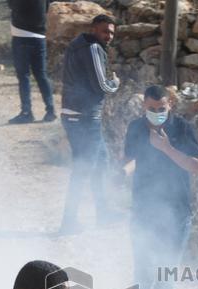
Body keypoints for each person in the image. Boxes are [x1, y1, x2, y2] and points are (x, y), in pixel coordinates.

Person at [122, 85, 198, 289]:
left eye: (161, 109)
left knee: (166, 273)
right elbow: (129, 160)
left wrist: (166, 148)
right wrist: (121, 171)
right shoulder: (135, 128)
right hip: (143, 211)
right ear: (143, 106)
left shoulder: (182, 128)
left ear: (171, 106)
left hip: (177, 214)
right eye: (151, 109)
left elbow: (197, 166)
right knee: (143, 271)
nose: (156, 113)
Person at [57, 14, 119, 235]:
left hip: (78, 115)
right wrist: (115, 84)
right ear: (94, 29)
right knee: (84, 170)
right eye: (105, 31)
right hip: (83, 117)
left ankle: (103, 212)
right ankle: (68, 221)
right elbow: (102, 84)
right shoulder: (92, 48)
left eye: (111, 32)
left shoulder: (80, 44)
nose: (108, 36)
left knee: (100, 162)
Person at [7, 0, 55, 124]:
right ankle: (51, 110)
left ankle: (26, 112)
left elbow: (12, 5)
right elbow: (46, 7)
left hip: (21, 36)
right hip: (40, 37)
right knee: (41, 75)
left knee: (24, 76)